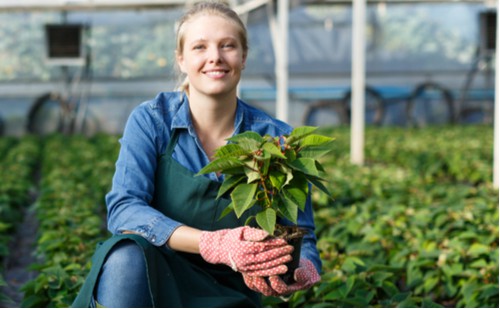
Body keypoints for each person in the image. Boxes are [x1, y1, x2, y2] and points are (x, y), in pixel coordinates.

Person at [72, 1, 320, 307]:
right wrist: (209, 243)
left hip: (232, 285)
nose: (214, 57)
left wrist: (300, 267)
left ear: (243, 56)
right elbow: (124, 209)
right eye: (200, 47)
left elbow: (301, 233)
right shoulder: (153, 120)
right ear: (181, 59)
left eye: (227, 45)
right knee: (126, 256)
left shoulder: (275, 138)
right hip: (150, 275)